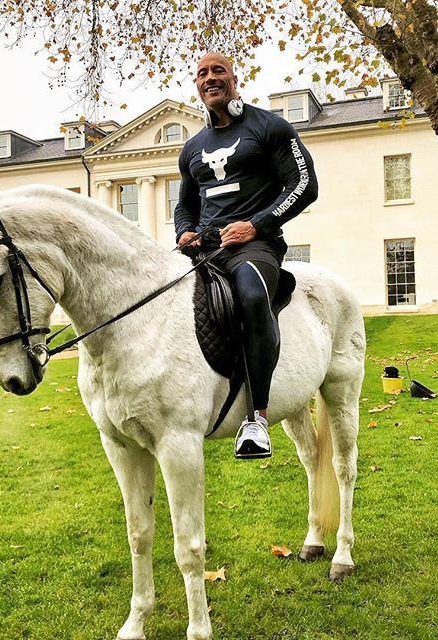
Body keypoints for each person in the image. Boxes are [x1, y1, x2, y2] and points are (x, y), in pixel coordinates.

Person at [174, 52, 318, 459]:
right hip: (205, 248)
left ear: (234, 78)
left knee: (253, 297)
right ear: (197, 85)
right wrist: (184, 231)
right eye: (201, 73)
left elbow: (304, 185)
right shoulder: (192, 148)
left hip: (255, 245)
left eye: (218, 70)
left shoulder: (268, 126)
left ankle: (256, 420)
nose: (209, 78)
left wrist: (256, 225)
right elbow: (185, 205)